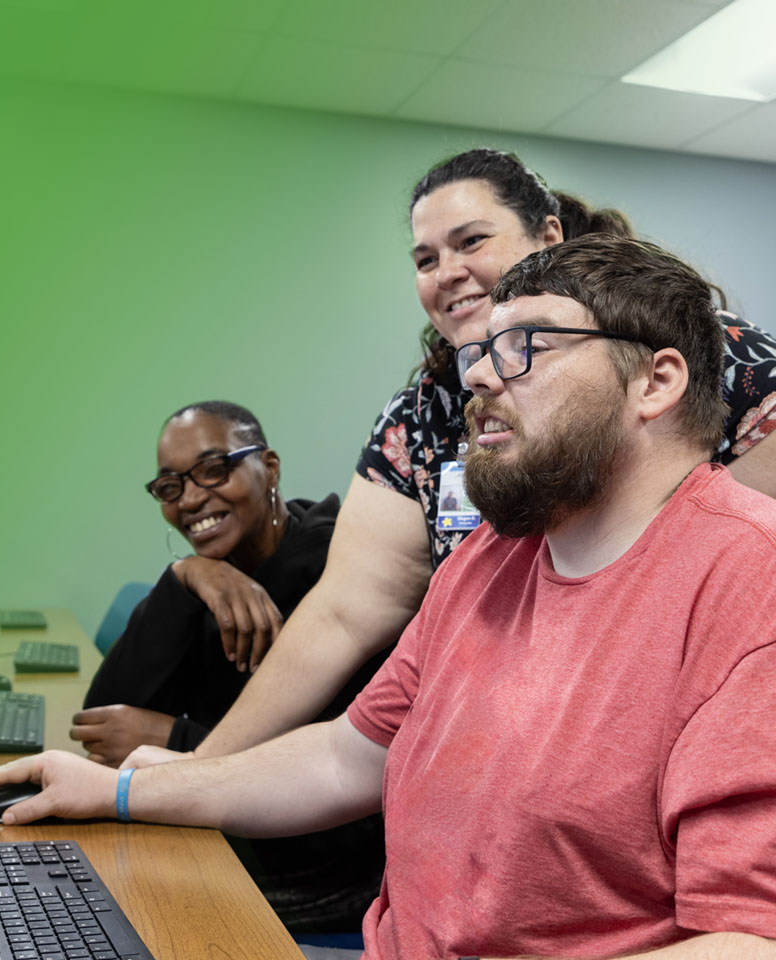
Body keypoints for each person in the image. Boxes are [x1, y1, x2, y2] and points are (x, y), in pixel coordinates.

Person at [0, 235, 776, 959]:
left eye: (527, 346)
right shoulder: (489, 561)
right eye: (482, 352)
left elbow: (745, 940)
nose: (484, 375)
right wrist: (120, 791)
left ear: (656, 382)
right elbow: (343, 755)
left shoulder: (747, 587)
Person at [156, 148, 776, 764]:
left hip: (662, 741)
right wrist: (201, 764)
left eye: (471, 241)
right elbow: (344, 613)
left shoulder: (707, 362)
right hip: (488, 747)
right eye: (426, 259)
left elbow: (750, 587)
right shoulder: (421, 418)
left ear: (548, 236)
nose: (446, 272)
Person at [71, 400, 385, 933]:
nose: (191, 499)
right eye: (170, 487)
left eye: (214, 470)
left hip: (321, 873)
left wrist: (179, 742)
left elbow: (350, 782)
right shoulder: (211, 577)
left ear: (270, 469)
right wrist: (186, 576)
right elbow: (101, 725)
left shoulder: (344, 581)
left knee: (95, 914)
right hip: (219, 832)